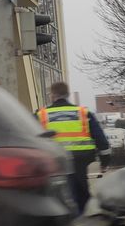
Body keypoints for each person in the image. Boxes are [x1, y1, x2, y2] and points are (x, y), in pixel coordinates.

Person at [36, 82, 110, 212]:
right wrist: (105, 162)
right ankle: (82, 218)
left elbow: (29, 136)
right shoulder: (83, 113)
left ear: (53, 95)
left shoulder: (41, 115)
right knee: (81, 195)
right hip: (80, 161)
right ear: (67, 95)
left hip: (53, 162)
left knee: (57, 196)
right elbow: (102, 141)